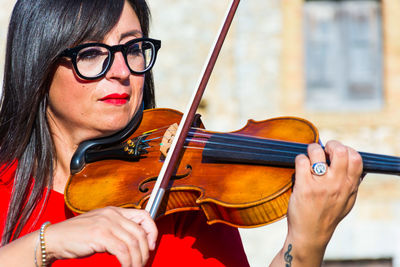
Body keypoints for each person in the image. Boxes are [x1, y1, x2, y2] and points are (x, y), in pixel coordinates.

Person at [0, 0, 363, 266]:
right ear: (38, 64)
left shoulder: (181, 199)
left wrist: (305, 244)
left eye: (132, 48)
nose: (122, 70)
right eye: (93, 52)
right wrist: (46, 244)